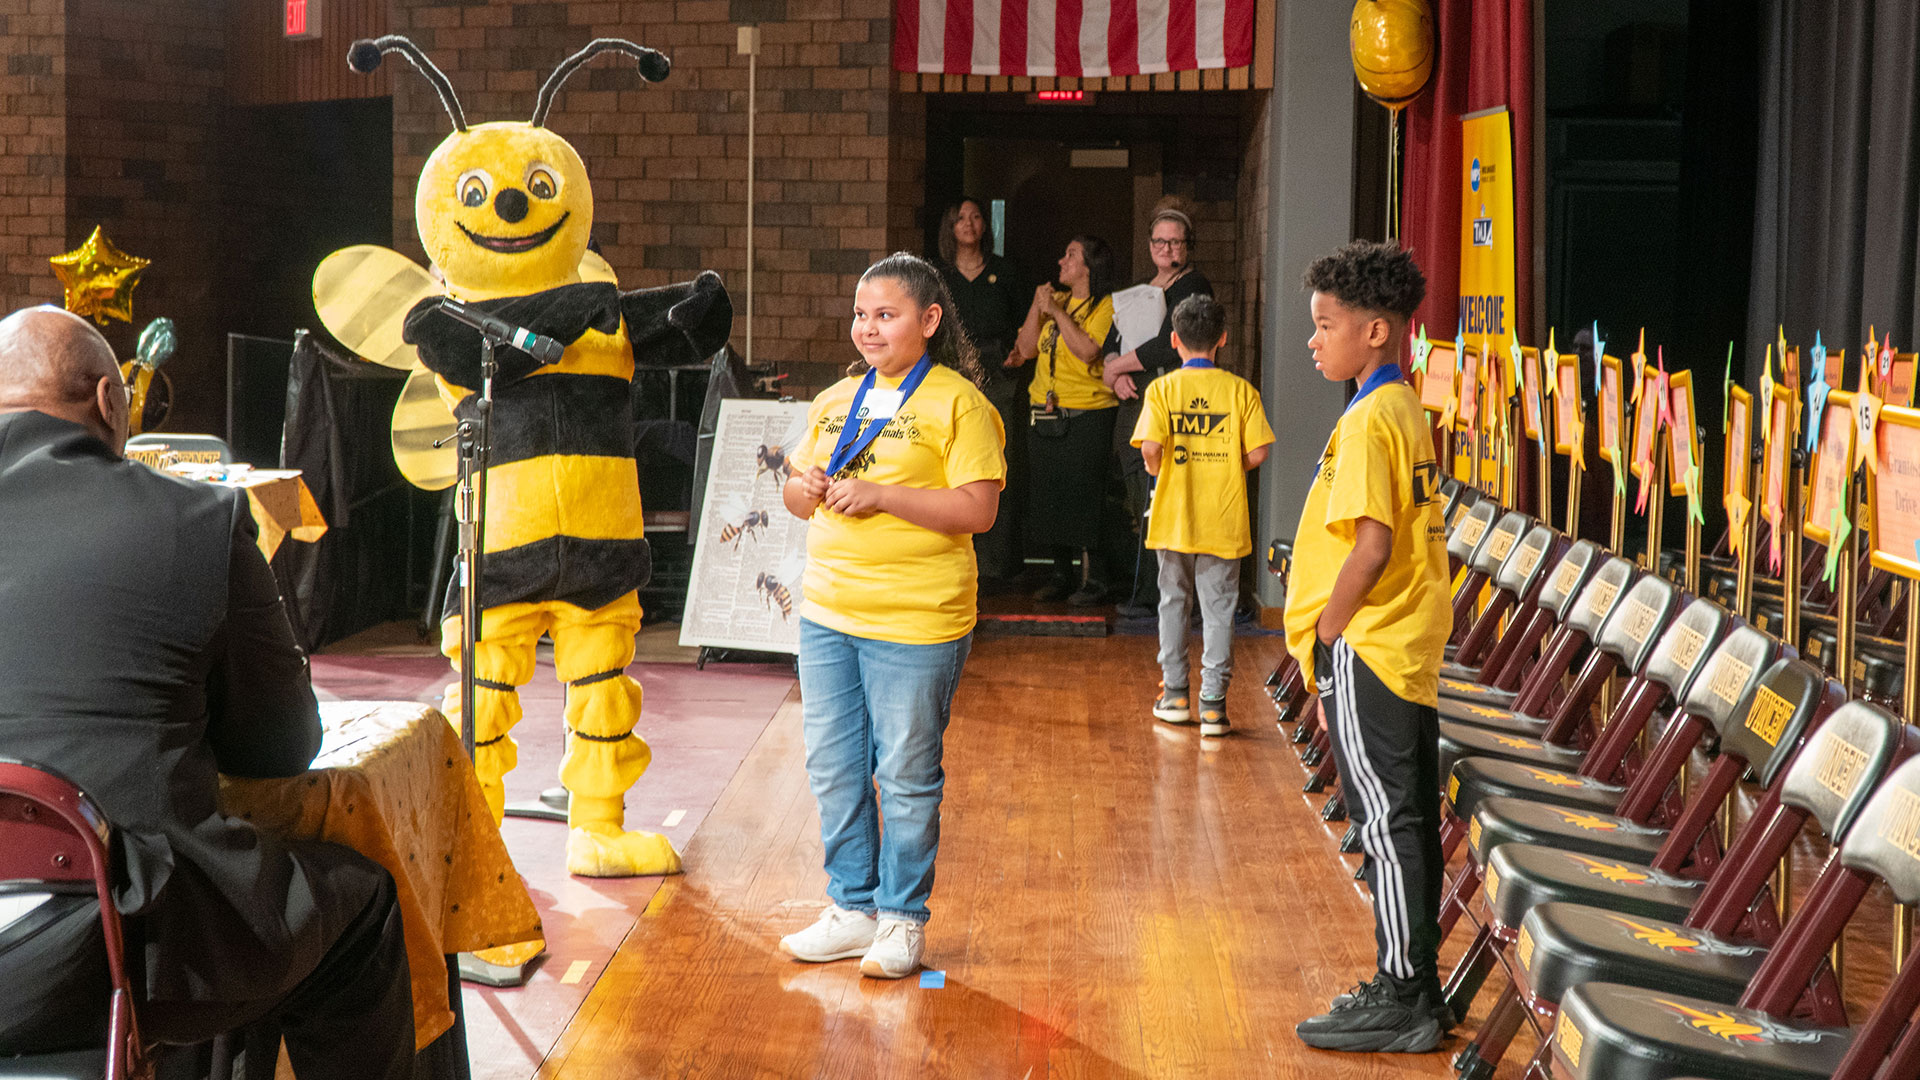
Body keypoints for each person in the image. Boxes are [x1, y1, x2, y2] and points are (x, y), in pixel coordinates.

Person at [0, 306, 413, 1078]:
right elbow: (281, 748)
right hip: (101, 948)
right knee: (357, 905)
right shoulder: (197, 518)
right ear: (112, 403)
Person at [777, 253, 1005, 979]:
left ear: (929, 320)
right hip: (828, 612)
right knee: (834, 767)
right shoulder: (835, 400)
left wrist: (883, 497)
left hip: (917, 620)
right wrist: (806, 487)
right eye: (860, 314)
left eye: (886, 314)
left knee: (905, 773)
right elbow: (792, 494)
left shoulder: (959, 403)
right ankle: (852, 909)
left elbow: (979, 509)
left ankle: (902, 919)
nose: (868, 329)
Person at [1285, 243, 1452, 1053]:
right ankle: (1418, 984)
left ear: (1376, 331)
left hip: (1372, 644)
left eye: (1326, 326)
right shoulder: (1401, 406)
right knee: (1405, 817)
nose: (1312, 341)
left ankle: (1402, 993)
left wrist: (1323, 635)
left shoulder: (1371, 417)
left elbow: (1371, 546)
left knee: (1385, 822)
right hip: (1401, 644)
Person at [1132, 295, 1272, 737]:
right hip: (1224, 517)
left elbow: (1151, 450)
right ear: (1223, 340)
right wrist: (1227, 464)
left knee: (1173, 604)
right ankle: (1213, 705)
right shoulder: (1240, 391)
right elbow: (1258, 452)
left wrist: (1162, 470)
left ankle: (1174, 695)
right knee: (1219, 610)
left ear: (1174, 340)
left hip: (1174, 516)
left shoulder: (1162, 390)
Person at [1104, 205, 1216, 617]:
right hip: (1135, 397)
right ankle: (1149, 589)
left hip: (1172, 397)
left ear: (1188, 246)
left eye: (1175, 241)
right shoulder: (1141, 288)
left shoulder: (1194, 285)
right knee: (1137, 488)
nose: (1166, 248)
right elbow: (1110, 342)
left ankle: (1165, 596)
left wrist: (1118, 365)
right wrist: (1114, 373)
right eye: (1159, 241)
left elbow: (1172, 341)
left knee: (1163, 491)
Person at [1011, 235, 1122, 604]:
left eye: (1071, 255)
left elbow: (1088, 350)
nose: (1061, 261)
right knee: (1049, 494)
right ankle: (1060, 573)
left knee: (1084, 496)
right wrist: (1037, 306)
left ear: (1089, 266)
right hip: (1045, 411)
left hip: (1088, 412)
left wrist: (1057, 313)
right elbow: (1026, 350)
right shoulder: (1052, 300)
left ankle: (1095, 579)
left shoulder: (1106, 306)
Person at [935, 197, 1029, 582]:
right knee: (955, 469)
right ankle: (958, 560)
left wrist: (1019, 353)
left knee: (997, 466)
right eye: (961, 218)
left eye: (976, 217)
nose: (970, 224)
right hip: (952, 379)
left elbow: (1027, 322)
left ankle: (1001, 565)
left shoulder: (1005, 272)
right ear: (950, 228)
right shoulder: (938, 275)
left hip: (1001, 379)